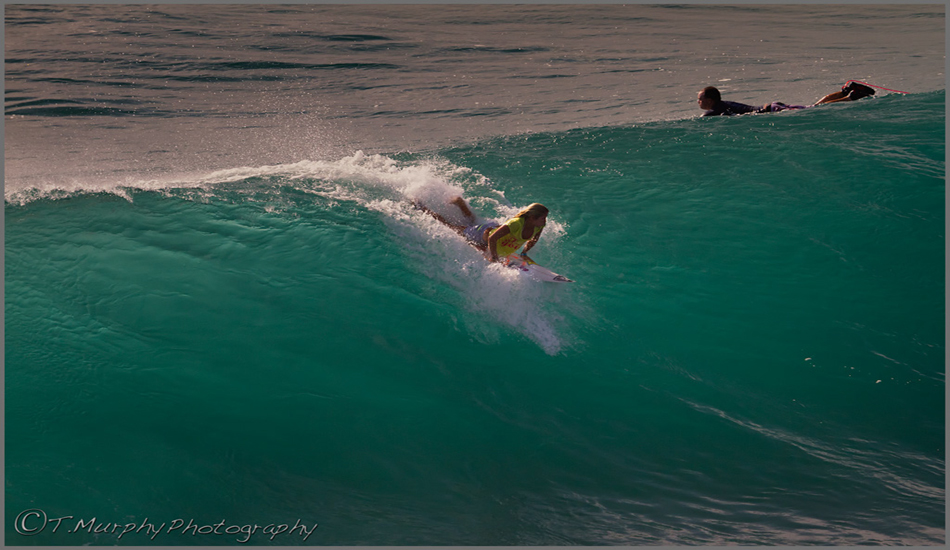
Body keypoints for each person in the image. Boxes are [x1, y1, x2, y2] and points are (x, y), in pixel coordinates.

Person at [414, 197, 549, 263]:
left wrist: (524, 253)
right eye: (542, 218)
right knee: (450, 227)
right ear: (531, 217)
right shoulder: (516, 223)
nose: (545, 221)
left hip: (492, 230)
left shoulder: (539, 225)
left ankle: (461, 205)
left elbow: (533, 240)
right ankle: (424, 208)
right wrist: (494, 257)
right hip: (483, 236)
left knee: (470, 224)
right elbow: (493, 238)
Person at [697, 81, 875, 116]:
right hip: (773, 107)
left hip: (772, 111)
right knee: (814, 106)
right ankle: (844, 92)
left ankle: (850, 97)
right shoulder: (723, 104)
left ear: (710, 100)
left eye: (700, 99)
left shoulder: (714, 111)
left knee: (815, 108)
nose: (698, 102)